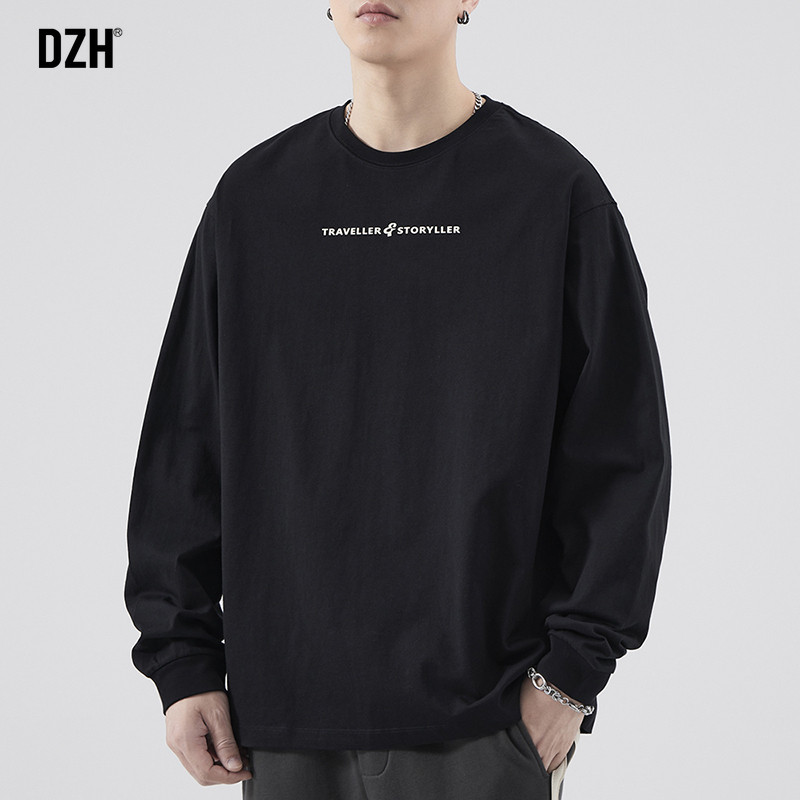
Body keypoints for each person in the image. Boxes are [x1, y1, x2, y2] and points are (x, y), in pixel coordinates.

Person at [123, 2, 672, 798]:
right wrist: (183, 663)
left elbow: (622, 453)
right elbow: (185, 444)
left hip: (486, 722)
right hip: (283, 723)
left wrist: (569, 677)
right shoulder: (255, 201)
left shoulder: (551, 193)